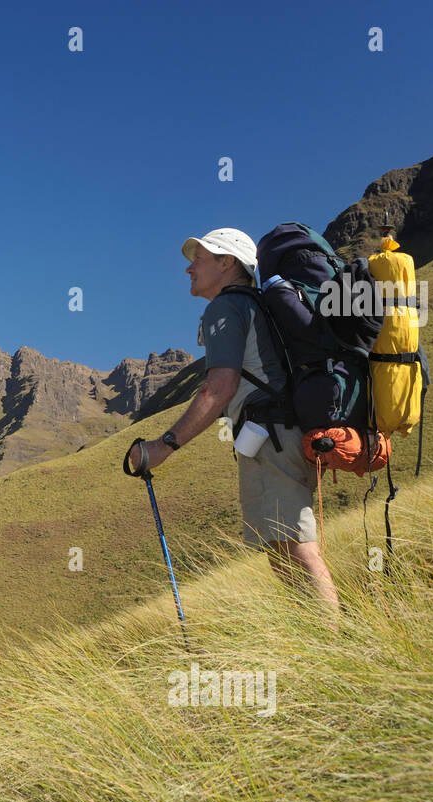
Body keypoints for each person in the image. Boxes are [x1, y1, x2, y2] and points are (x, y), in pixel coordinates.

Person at [128, 228, 339, 615]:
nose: (190, 268)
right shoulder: (256, 305)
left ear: (227, 263)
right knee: (282, 546)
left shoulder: (226, 307)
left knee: (295, 547)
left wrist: (164, 446)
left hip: (271, 438)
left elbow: (219, 388)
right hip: (282, 436)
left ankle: (337, 649)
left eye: (201, 258)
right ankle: (318, 644)